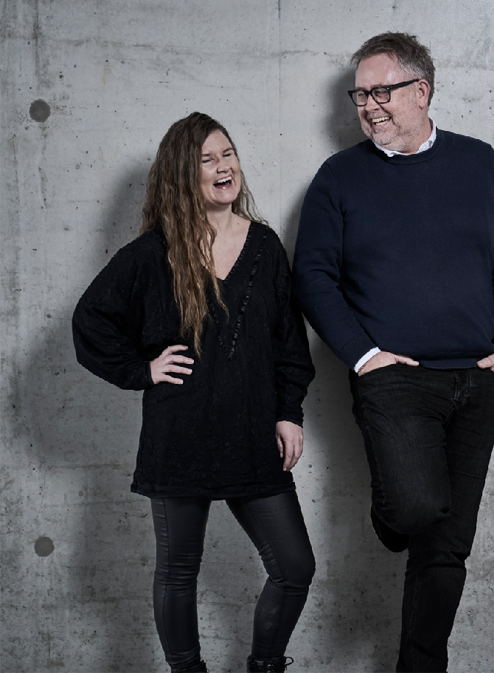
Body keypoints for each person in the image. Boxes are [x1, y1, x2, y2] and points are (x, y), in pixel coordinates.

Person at [292, 33, 494, 671]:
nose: (368, 106)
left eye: (381, 92)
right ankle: (393, 513)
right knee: (417, 509)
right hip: (392, 376)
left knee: (447, 548)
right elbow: (312, 276)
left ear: (421, 91)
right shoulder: (340, 177)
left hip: (478, 376)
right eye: (360, 94)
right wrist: (365, 356)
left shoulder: (478, 162)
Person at [73, 112, 316, 673]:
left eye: (227, 154)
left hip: (253, 436)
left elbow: (289, 342)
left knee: (294, 567)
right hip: (179, 435)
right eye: (207, 159)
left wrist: (288, 413)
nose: (223, 167)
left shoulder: (264, 247)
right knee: (178, 573)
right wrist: (142, 369)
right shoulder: (153, 252)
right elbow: (90, 321)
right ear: (183, 174)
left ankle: (265, 666)